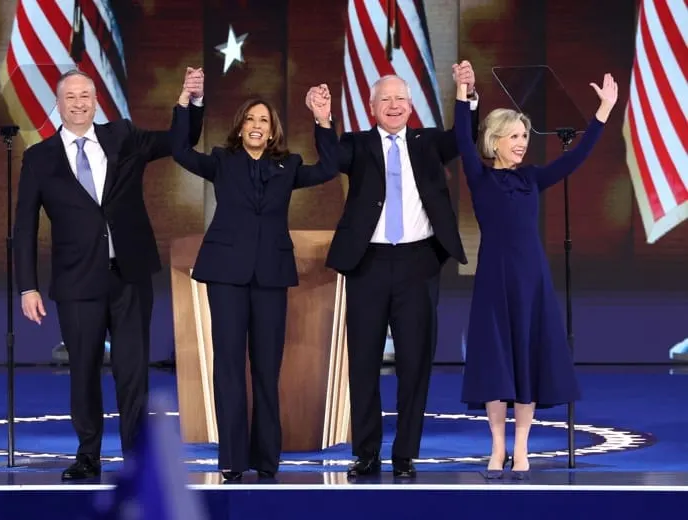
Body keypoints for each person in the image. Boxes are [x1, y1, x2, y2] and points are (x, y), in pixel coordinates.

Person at [13, 67, 206, 481]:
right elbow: (24, 227)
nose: (80, 104)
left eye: (86, 95)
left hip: (130, 274)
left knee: (132, 369)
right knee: (83, 370)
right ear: (59, 103)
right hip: (77, 281)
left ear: (95, 100)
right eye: (71, 97)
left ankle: (136, 457)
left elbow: (180, 141)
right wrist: (27, 286)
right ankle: (88, 455)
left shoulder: (123, 137)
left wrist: (189, 103)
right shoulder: (39, 157)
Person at [308, 64, 479, 478]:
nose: (394, 105)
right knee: (363, 361)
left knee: (415, 362)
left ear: (411, 104)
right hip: (367, 262)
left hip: (418, 261)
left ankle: (405, 454)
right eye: (385, 99)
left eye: (400, 98)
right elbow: (330, 161)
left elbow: (464, 138)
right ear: (371, 108)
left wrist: (464, 93)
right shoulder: (357, 145)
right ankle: (366, 453)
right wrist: (323, 120)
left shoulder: (427, 143)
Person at [454, 71, 618, 479]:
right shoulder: (480, 176)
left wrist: (602, 114)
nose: (522, 143)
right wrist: (462, 95)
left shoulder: (531, 177)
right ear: (494, 141)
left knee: (526, 361)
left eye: (524, 136)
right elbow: (461, 137)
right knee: (496, 364)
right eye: (514, 136)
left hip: (531, 282)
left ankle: (522, 449)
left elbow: (573, 159)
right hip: (494, 280)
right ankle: (496, 450)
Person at [171, 84, 337, 481]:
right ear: (240, 126)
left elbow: (331, 167)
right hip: (226, 274)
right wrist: (186, 102)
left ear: (273, 129)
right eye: (251, 119)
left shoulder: (289, 165)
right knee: (228, 366)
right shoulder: (221, 161)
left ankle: (266, 460)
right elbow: (179, 151)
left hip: (270, 277)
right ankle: (231, 459)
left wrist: (323, 119)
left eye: (264, 120)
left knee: (267, 368)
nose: (257, 125)